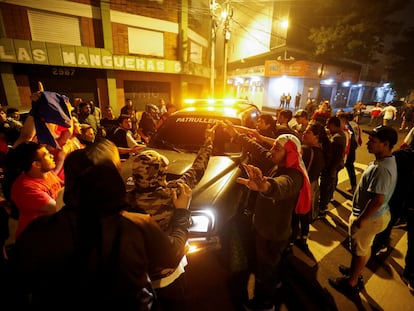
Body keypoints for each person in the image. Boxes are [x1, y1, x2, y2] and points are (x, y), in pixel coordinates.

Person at [12, 140, 193, 309]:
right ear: (112, 176)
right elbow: (171, 254)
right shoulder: (135, 225)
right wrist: (181, 213)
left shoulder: (39, 230)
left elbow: (21, 282)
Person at [223, 124, 311, 311]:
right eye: (273, 147)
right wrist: (236, 134)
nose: (271, 151)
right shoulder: (278, 163)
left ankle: (265, 303)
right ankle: (273, 286)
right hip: (263, 228)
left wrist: (264, 187)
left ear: (289, 153)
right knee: (267, 266)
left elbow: (281, 186)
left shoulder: (294, 175)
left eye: (277, 148)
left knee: (266, 271)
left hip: (272, 235)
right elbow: (258, 149)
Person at [129, 124, 216, 308]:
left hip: (139, 276)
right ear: (160, 173)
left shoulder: (125, 199)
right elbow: (198, 168)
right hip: (169, 275)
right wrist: (208, 140)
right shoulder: (174, 193)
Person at [329, 125, 398, 296]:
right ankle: (355, 272)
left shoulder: (382, 169)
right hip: (377, 216)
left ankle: (352, 282)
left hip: (370, 218)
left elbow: (378, 200)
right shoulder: (385, 160)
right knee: (363, 249)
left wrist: (361, 219)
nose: (367, 143)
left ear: (385, 144)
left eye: (373, 141)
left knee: (359, 251)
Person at [10, 142, 63, 239]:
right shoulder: (26, 188)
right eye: (46, 155)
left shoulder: (46, 172)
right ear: (36, 164)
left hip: (51, 229)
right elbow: (58, 208)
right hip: (36, 239)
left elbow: (62, 185)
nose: (52, 155)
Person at [291, 122, 328, 250]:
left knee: (295, 214)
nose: (304, 134)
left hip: (301, 188)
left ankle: (291, 241)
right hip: (312, 188)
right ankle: (304, 237)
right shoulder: (321, 152)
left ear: (317, 137)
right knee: (305, 214)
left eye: (308, 132)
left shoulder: (306, 151)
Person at [318, 116, 347, 217]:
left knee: (325, 187)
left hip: (331, 167)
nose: (327, 127)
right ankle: (327, 200)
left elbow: (336, 156)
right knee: (330, 184)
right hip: (334, 166)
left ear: (334, 125)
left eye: (329, 125)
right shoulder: (339, 134)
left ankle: (322, 208)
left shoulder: (338, 138)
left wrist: (332, 169)